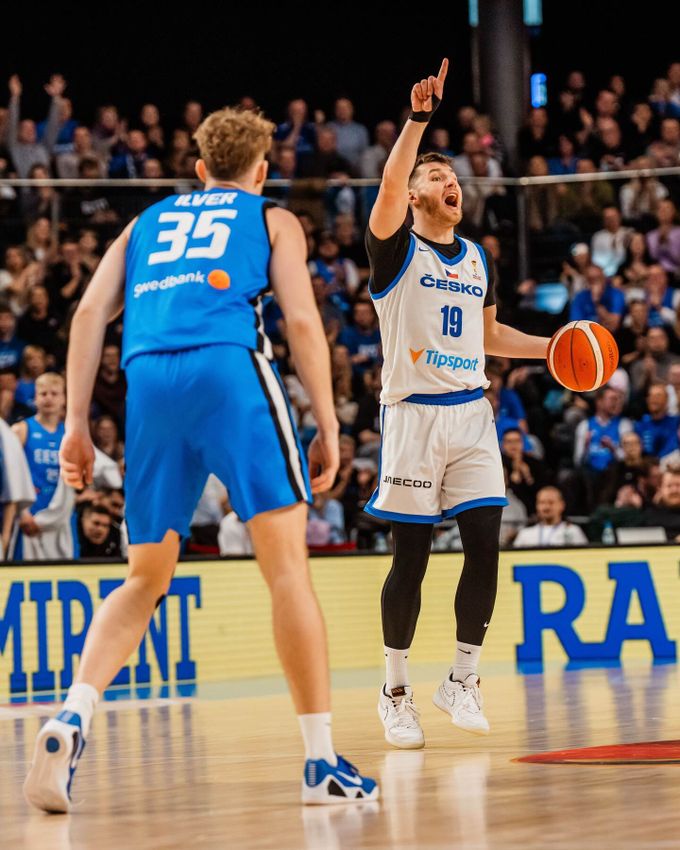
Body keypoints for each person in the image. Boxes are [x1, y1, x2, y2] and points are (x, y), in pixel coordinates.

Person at [23, 105, 377, 812]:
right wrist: (330, 422)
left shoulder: (143, 223)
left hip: (148, 381)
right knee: (287, 573)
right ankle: (318, 763)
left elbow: (90, 314)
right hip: (228, 372)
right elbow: (303, 319)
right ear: (263, 170)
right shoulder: (273, 218)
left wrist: (80, 424)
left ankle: (72, 714)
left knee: (143, 579)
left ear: (197, 169)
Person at [364, 59, 549, 750]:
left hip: (472, 413)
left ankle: (462, 679)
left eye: (454, 177)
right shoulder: (393, 250)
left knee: (484, 546)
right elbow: (387, 182)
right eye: (435, 177)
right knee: (410, 559)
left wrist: (557, 349)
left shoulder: (476, 257)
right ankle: (395, 691)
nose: (451, 183)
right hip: (411, 415)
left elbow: (491, 334)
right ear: (412, 196)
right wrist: (417, 123)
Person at [11, 373, 76, 561]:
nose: (48, 398)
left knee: (66, 575)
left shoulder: (70, 433)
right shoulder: (22, 429)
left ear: (64, 398)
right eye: (43, 393)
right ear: (35, 398)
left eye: (54, 393)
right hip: (29, 515)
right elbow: (11, 475)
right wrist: (21, 512)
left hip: (61, 518)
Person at [513, 486, 588, 547]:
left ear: (562, 505)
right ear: (537, 506)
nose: (546, 507)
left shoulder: (573, 531)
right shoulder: (525, 534)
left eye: (551, 502)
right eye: (542, 502)